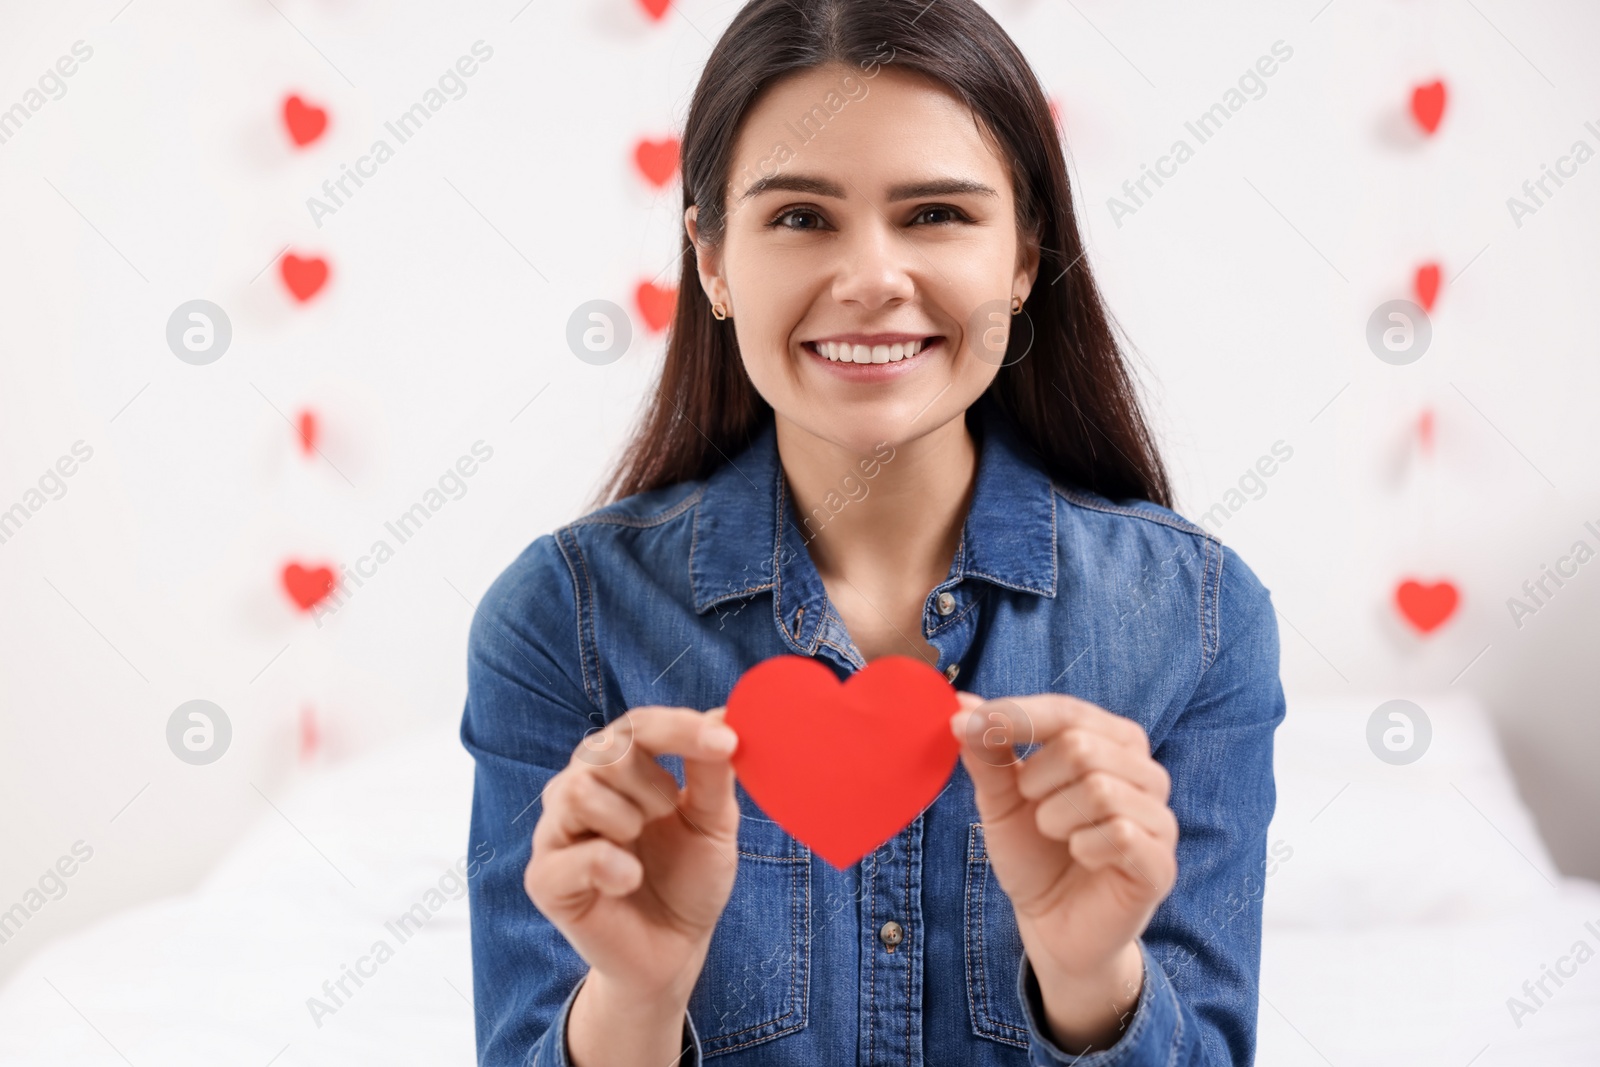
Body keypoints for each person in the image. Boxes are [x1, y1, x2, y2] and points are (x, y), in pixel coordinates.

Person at [460, 1, 1285, 1063]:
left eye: (936, 213)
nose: (869, 280)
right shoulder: (560, 620)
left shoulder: (1197, 617)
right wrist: (636, 997)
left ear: (1025, 256)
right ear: (711, 259)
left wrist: (1091, 980)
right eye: (799, 217)